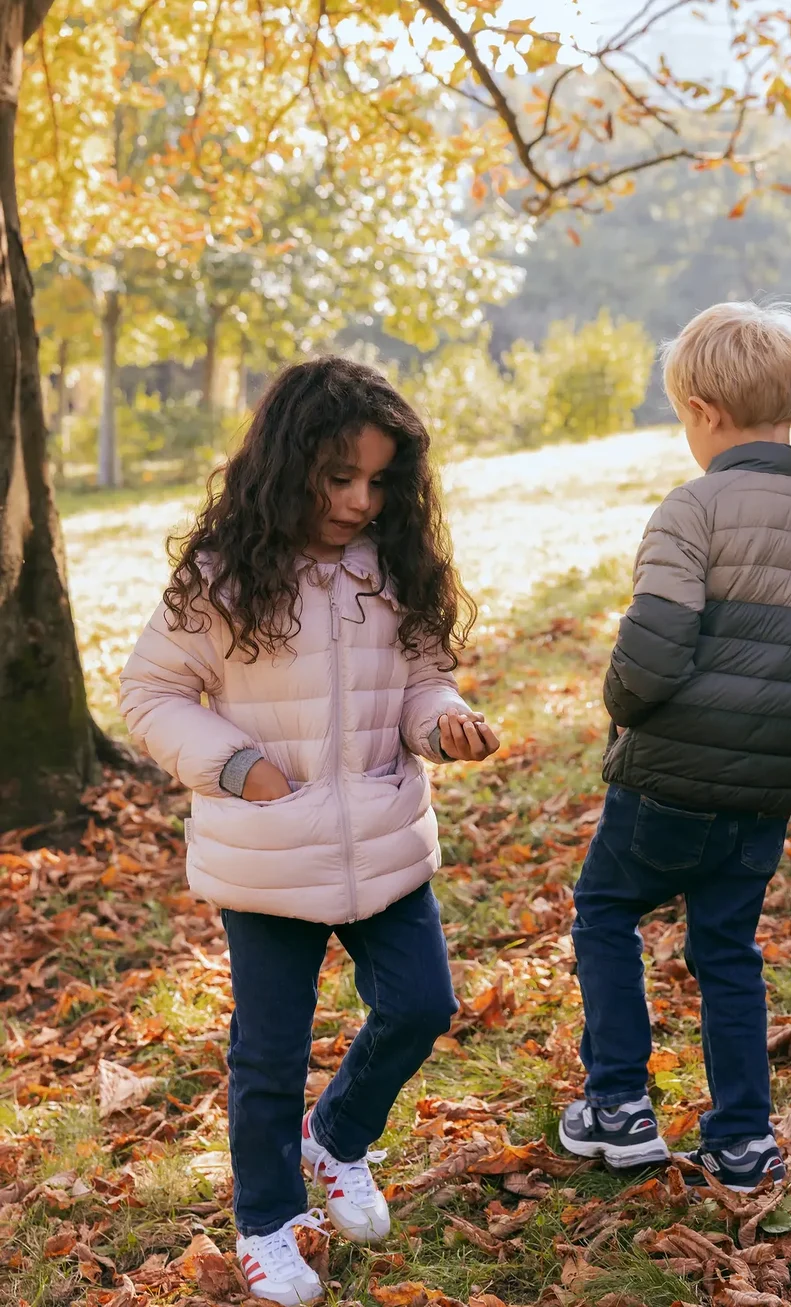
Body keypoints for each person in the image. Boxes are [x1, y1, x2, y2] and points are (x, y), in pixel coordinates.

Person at [120, 357, 500, 1306]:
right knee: (269, 1050)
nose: (360, 500)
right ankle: (267, 1220)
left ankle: (336, 1136)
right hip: (267, 849)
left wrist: (441, 720)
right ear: (288, 464)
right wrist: (233, 763)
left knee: (421, 1004)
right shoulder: (222, 576)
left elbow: (422, 680)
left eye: (379, 480)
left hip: (384, 831)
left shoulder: (394, 565)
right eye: (340, 478)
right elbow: (152, 692)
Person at [558, 302, 791, 1190]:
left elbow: (653, 646)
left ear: (701, 409)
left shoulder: (692, 510)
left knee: (606, 912)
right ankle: (742, 1138)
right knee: (728, 951)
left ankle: (618, 1100)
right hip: (763, 797)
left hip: (665, 780)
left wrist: (619, 704)